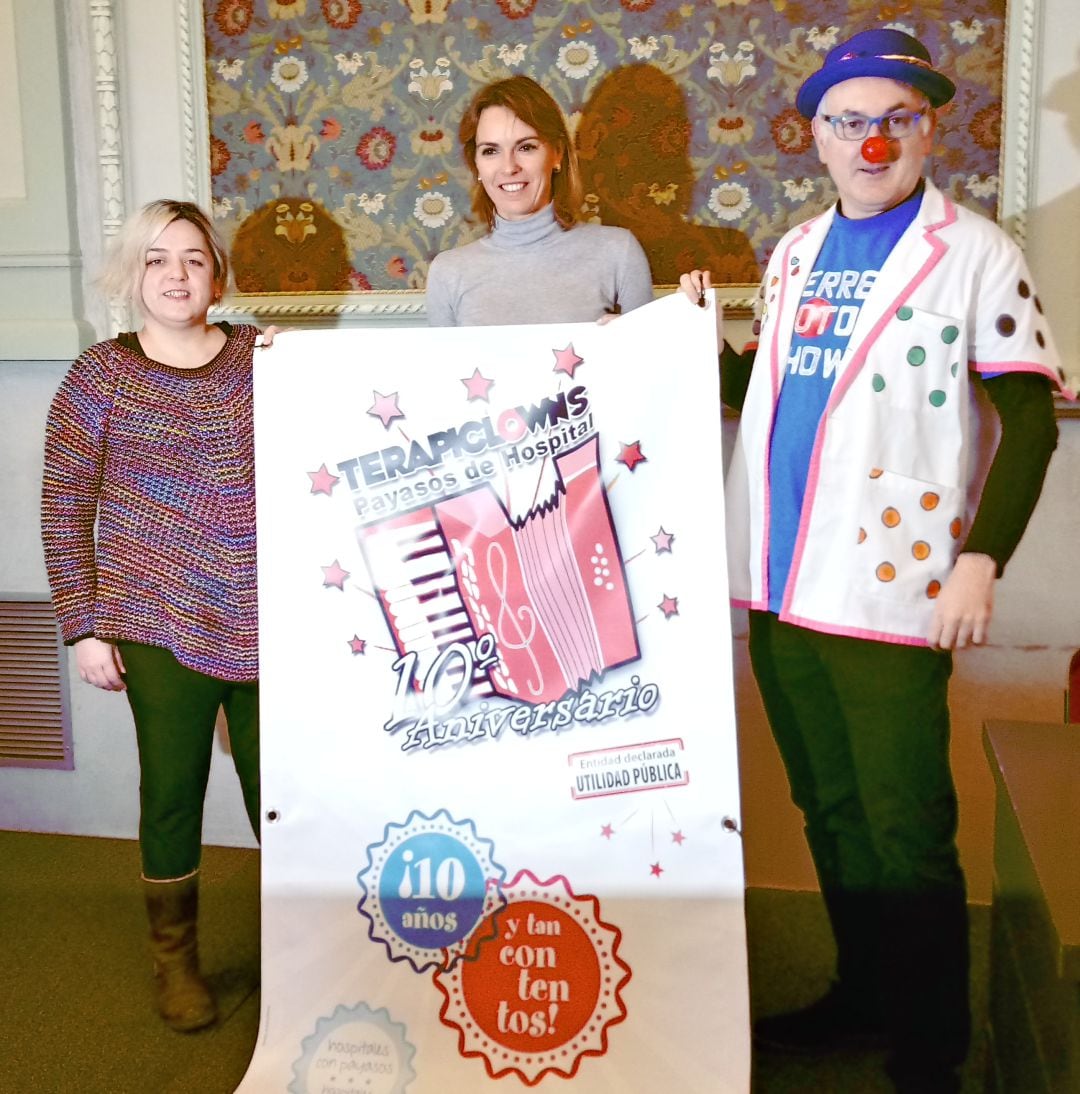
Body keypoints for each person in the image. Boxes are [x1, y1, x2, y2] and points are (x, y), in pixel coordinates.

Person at [680, 27, 1070, 1094]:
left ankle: (931, 1043)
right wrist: (681, 342)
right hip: (778, 580)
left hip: (897, 589)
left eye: (895, 117)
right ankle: (864, 989)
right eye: (849, 120)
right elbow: (780, 380)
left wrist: (981, 561)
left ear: (929, 126)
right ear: (817, 136)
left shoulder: (979, 252)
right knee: (831, 808)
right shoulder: (796, 251)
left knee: (907, 827)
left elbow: (1030, 420)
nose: (872, 139)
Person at [40, 200, 271, 1033]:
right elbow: (64, 502)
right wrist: (83, 625)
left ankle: (305, 953)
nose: (176, 275)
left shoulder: (262, 358)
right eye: (156, 259)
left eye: (194, 259)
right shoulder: (100, 375)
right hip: (154, 618)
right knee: (172, 795)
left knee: (281, 793)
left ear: (217, 272)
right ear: (133, 273)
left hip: (272, 617)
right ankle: (175, 965)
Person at [425, 74, 654, 326]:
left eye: (526, 147)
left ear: (556, 153)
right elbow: (448, 367)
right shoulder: (447, 272)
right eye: (491, 151)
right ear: (476, 165)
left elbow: (649, 362)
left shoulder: (619, 252)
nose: (509, 167)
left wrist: (691, 311)